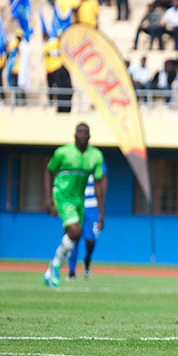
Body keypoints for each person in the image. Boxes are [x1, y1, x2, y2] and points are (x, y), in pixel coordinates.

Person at [42, 123, 106, 288]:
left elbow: (98, 184)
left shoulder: (95, 156)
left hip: (79, 199)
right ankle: (56, 266)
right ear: (75, 135)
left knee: (74, 236)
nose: (83, 135)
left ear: (90, 136)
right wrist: (49, 200)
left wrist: (101, 210)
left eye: (86, 132)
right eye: (80, 132)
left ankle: (51, 270)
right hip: (62, 196)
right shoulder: (63, 152)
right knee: (75, 230)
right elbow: (49, 171)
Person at [68, 163, 108, 280]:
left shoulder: (96, 157)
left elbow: (103, 179)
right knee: (73, 238)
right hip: (76, 204)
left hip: (92, 207)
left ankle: (87, 260)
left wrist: (101, 206)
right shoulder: (72, 158)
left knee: (90, 239)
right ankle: (71, 272)